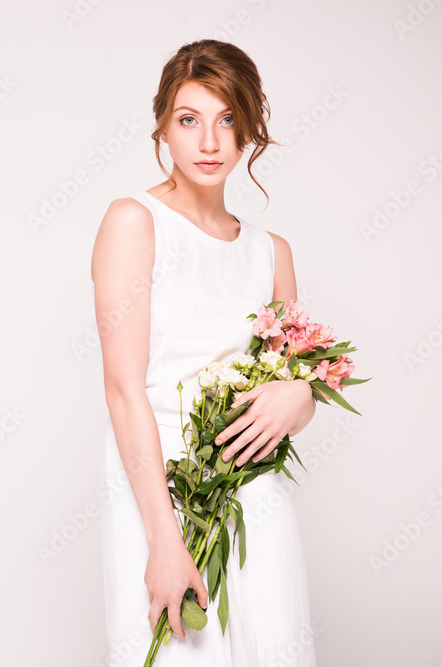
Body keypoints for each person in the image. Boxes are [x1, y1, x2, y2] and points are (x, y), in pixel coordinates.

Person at [91, 40, 318, 665]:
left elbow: (293, 389)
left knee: (271, 645)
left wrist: (299, 395)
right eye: (189, 119)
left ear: (250, 126)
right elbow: (123, 390)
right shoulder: (134, 221)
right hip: (156, 479)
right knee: (176, 649)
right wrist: (163, 538)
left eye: (227, 120)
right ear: (163, 123)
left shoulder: (272, 252)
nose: (210, 142)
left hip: (251, 486)